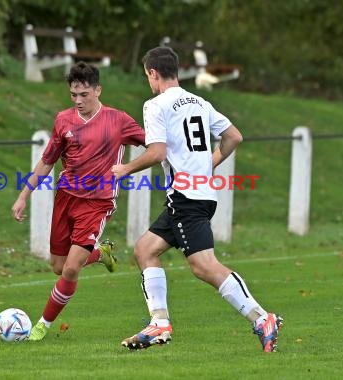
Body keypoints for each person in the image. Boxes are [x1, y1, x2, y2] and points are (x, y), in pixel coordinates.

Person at [111, 47, 283, 352]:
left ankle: (261, 318)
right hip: (199, 194)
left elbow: (157, 152)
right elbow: (234, 137)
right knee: (145, 250)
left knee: (204, 266)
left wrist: (125, 169)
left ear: (152, 73)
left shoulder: (155, 105)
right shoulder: (200, 102)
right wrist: (209, 164)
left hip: (185, 197)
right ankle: (159, 322)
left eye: (147, 75)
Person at [12, 62, 145, 341]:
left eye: (84, 94)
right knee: (58, 267)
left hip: (98, 202)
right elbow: (47, 161)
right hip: (66, 199)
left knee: (71, 269)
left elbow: (154, 145)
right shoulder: (64, 120)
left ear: (98, 90)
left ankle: (41, 327)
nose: (78, 101)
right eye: (73, 94)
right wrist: (24, 195)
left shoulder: (118, 120)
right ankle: (101, 253)